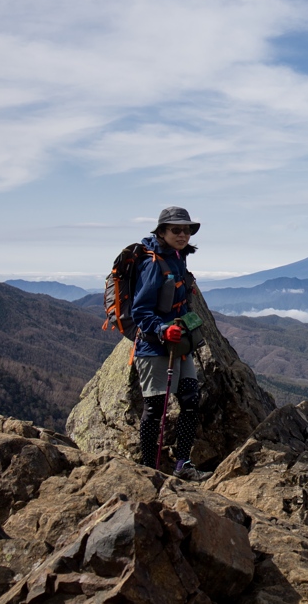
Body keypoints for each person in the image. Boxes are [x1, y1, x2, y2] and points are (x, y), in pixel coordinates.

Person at [131, 206, 211, 482]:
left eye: (186, 229)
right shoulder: (152, 264)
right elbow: (139, 311)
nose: (182, 234)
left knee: (190, 399)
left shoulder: (178, 259)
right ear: (161, 231)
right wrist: (163, 329)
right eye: (176, 229)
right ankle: (148, 468)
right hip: (154, 348)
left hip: (179, 347)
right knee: (155, 409)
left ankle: (183, 464)